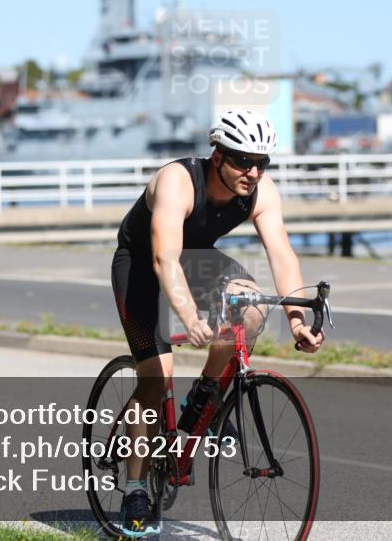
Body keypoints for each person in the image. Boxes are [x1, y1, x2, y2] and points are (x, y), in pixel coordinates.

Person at [110, 109, 324, 537]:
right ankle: (135, 488)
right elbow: (163, 257)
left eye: (262, 163)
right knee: (156, 377)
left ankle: (205, 397)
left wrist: (298, 320)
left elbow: (281, 254)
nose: (253, 171)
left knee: (252, 308)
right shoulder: (178, 180)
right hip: (141, 266)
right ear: (217, 156)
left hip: (198, 262)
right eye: (243, 160)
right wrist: (188, 314)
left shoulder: (260, 190)